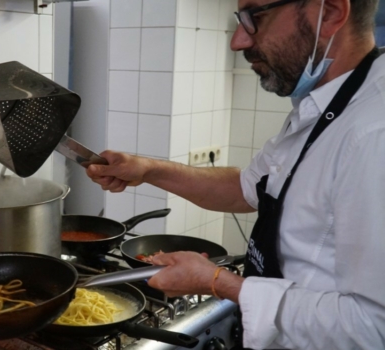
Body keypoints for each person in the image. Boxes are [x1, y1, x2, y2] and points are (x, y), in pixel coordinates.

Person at [86, 0, 385, 349]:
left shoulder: (374, 132)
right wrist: (149, 170)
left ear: (331, 12)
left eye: (256, 17)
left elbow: (374, 327)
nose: (238, 41)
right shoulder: (324, 106)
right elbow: (247, 188)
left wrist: (219, 282)